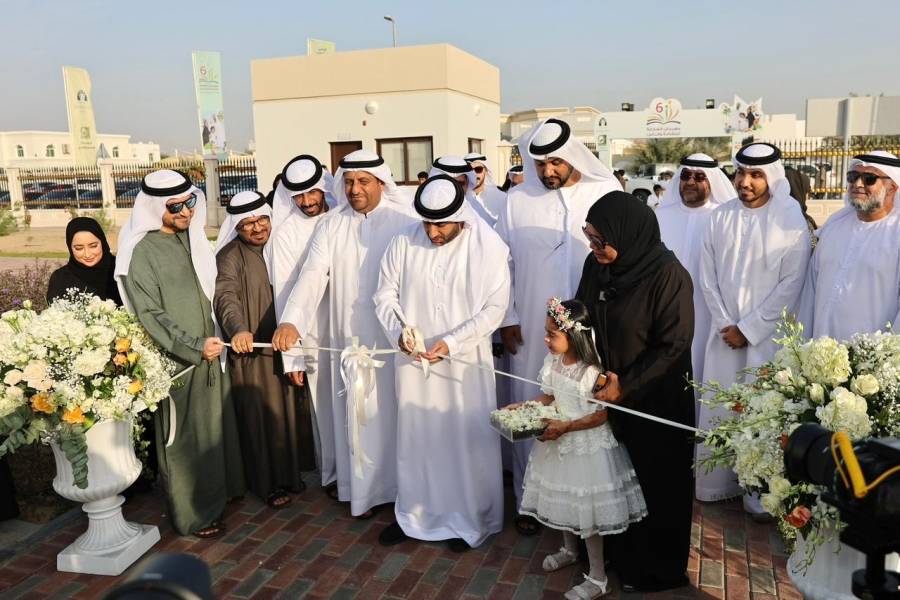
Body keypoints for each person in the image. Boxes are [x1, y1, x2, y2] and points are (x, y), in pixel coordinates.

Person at [272, 149, 417, 519]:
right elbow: (312, 275)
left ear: (381, 182)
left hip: (394, 341)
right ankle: (366, 493)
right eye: (348, 182)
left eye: (363, 181)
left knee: (398, 414)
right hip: (348, 339)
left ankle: (405, 488)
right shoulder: (331, 224)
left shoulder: (405, 221)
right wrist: (292, 321)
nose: (354, 189)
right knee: (361, 413)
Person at [496, 117, 622, 535]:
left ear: (570, 157)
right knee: (533, 400)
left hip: (591, 323)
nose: (547, 172)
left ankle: (589, 505)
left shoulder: (604, 193)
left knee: (587, 403)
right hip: (535, 325)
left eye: (555, 163)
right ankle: (530, 502)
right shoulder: (516, 200)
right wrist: (509, 318)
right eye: (539, 164)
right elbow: (503, 265)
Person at [374, 175, 510, 552]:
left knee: (464, 441)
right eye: (427, 222)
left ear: (462, 217)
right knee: (418, 438)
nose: (432, 231)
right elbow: (383, 295)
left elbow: (494, 309)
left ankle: (469, 518)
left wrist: (451, 344)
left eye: (441, 224)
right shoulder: (403, 240)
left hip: (464, 366)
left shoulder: (488, 247)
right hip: (414, 363)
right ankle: (415, 516)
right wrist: (399, 332)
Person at [576, 191, 695, 592]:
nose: (594, 248)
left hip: (656, 401)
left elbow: (673, 345)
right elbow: (584, 312)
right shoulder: (596, 266)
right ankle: (617, 557)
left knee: (656, 485)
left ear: (627, 234)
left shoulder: (668, 275)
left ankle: (657, 570)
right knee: (615, 480)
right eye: (589, 238)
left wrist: (625, 384)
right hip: (608, 395)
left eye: (600, 240)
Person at [116, 169, 245, 538]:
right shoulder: (140, 253)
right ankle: (193, 515)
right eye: (176, 207)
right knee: (183, 440)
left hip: (212, 354)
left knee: (216, 430)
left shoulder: (192, 240)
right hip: (179, 364)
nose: (187, 212)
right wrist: (191, 346)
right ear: (155, 207)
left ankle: (221, 496)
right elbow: (150, 314)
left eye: (191, 202)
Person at [699, 142, 811, 515]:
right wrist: (725, 323)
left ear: (772, 177)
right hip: (723, 337)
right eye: (741, 173)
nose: (745, 182)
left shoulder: (790, 218)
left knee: (762, 414)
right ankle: (717, 484)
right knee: (721, 408)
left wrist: (748, 329)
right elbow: (707, 276)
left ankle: (758, 496)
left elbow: (791, 284)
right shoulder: (720, 215)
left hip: (766, 340)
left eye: (756, 175)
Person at [516, 297, 646, 600]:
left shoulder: (592, 372)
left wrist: (568, 427)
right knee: (562, 498)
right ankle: (568, 549)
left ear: (573, 335)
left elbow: (601, 415)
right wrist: (523, 407)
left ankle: (598, 577)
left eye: (552, 334)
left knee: (586, 512)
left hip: (586, 447)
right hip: (558, 441)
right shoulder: (553, 362)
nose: (546, 339)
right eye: (546, 332)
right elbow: (549, 397)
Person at [214, 191, 314, 510]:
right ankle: (265, 483)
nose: (257, 229)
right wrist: (238, 329)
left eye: (261, 220)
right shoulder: (230, 255)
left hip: (282, 345)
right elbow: (225, 296)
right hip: (252, 352)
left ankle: (287, 474)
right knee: (258, 418)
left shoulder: (279, 246)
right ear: (236, 228)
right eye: (247, 224)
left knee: (285, 412)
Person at [268, 155, 339, 496]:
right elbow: (285, 294)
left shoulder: (343, 218)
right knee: (325, 409)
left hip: (351, 329)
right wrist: (293, 357)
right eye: (299, 196)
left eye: (312, 193)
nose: (308, 202)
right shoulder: (285, 235)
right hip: (312, 335)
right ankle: (336, 476)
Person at [800, 151, 900, 340]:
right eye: (853, 177)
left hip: (872, 359)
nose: (858, 184)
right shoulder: (833, 226)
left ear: (893, 188)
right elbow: (810, 290)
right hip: (821, 353)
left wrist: (888, 358)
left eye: (869, 178)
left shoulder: (896, 233)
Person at [47, 217, 122, 304]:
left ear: (103, 243)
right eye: (79, 248)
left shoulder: (121, 271)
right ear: (70, 248)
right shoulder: (60, 279)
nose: (87, 254)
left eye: (93, 246)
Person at [464, 152, 507, 227]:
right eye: (470, 170)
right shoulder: (460, 199)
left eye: (478, 169)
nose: (474, 174)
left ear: (486, 171)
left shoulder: (502, 198)